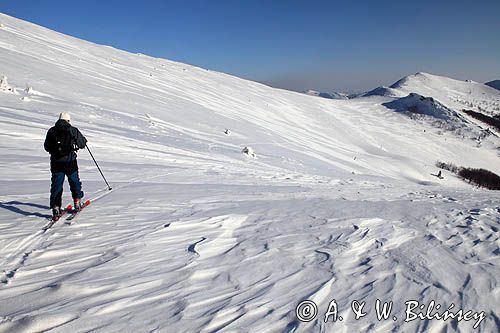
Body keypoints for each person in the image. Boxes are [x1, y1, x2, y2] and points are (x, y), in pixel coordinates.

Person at [44, 112, 87, 220]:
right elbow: (82, 144)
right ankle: (77, 201)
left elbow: (46, 147)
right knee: (74, 181)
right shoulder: (72, 130)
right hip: (70, 162)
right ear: (68, 120)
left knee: (56, 185)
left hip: (56, 163)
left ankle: (56, 207)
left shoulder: (51, 131)